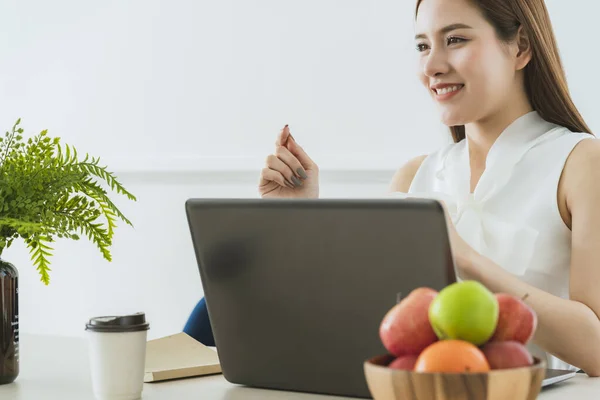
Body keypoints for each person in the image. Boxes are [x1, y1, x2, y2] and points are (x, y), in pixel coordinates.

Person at [184, 0, 600, 376]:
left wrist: (465, 259)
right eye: (422, 46)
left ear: (520, 47)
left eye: (454, 39)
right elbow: (364, 333)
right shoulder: (413, 177)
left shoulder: (580, 163)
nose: (431, 66)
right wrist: (297, 221)